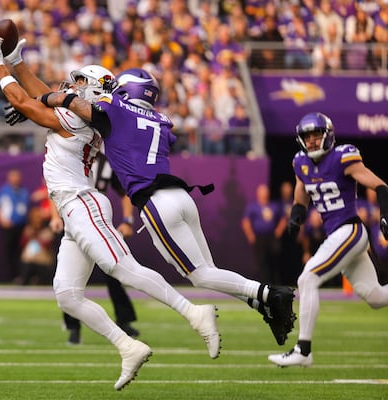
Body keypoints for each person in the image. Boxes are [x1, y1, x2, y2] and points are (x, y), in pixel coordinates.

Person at [0, 35, 220, 391]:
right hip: (72, 207)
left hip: (83, 203)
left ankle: (194, 312)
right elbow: (40, 92)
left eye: (79, 83)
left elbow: (23, 100)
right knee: (66, 294)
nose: (70, 86)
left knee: (120, 268)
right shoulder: (84, 116)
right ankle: (128, 345)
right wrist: (16, 60)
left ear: (92, 90)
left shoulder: (77, 121)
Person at [39, 67, 296, 347]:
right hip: (182, 197)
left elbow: (76, 104)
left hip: (157, 203)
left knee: (200, 275)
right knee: (211, 272)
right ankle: (265, 308)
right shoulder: (162, 120)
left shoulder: (116, 108)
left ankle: (271, 294)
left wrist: (46, 98)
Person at [268, 112, 388, 367]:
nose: (311, 141)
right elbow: (302, 190)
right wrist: (296, 216)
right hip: (338, 234)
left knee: (307, 278)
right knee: (376, 297)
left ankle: (304, 349)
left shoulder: (343, 157)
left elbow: (380, 186)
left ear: (328, 135)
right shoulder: (300, 162)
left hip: (350, 229)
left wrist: (385, 215)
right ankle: (303, 350)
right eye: (307, 137)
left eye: (316, 135)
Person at [50, 153, 141, 345]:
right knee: (68, 281)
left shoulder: (107, 162)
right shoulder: (69, 154)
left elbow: (123, 192)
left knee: (114, 271)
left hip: (97, 223)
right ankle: (73, 328)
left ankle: (124, 321)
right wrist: (55, 217)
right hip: (72, 222)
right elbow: (53, 189)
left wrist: (127, 221)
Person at [0, 169, 30, 282]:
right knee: (9, 251)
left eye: (18, 177)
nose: (16, 179)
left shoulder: (23, 191)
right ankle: (11, 276)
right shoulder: (4, 191)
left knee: (21, 251)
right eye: (14, 177)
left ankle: (21, 276)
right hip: (9, 227)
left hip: (22, 226)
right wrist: (2, 220)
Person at [241, 183, 285, 285]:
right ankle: (261, 283)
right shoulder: (253, 206)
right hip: (259, 237)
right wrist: (250, 235)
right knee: (260, 262)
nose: (264, 194)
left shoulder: (274, 206)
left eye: (266, 192)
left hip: (271, 237)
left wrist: (279, 231)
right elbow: (245, 221)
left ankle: (275, 283)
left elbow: (283, 218)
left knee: (275, 258)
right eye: (262, 192)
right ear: (258, 194)